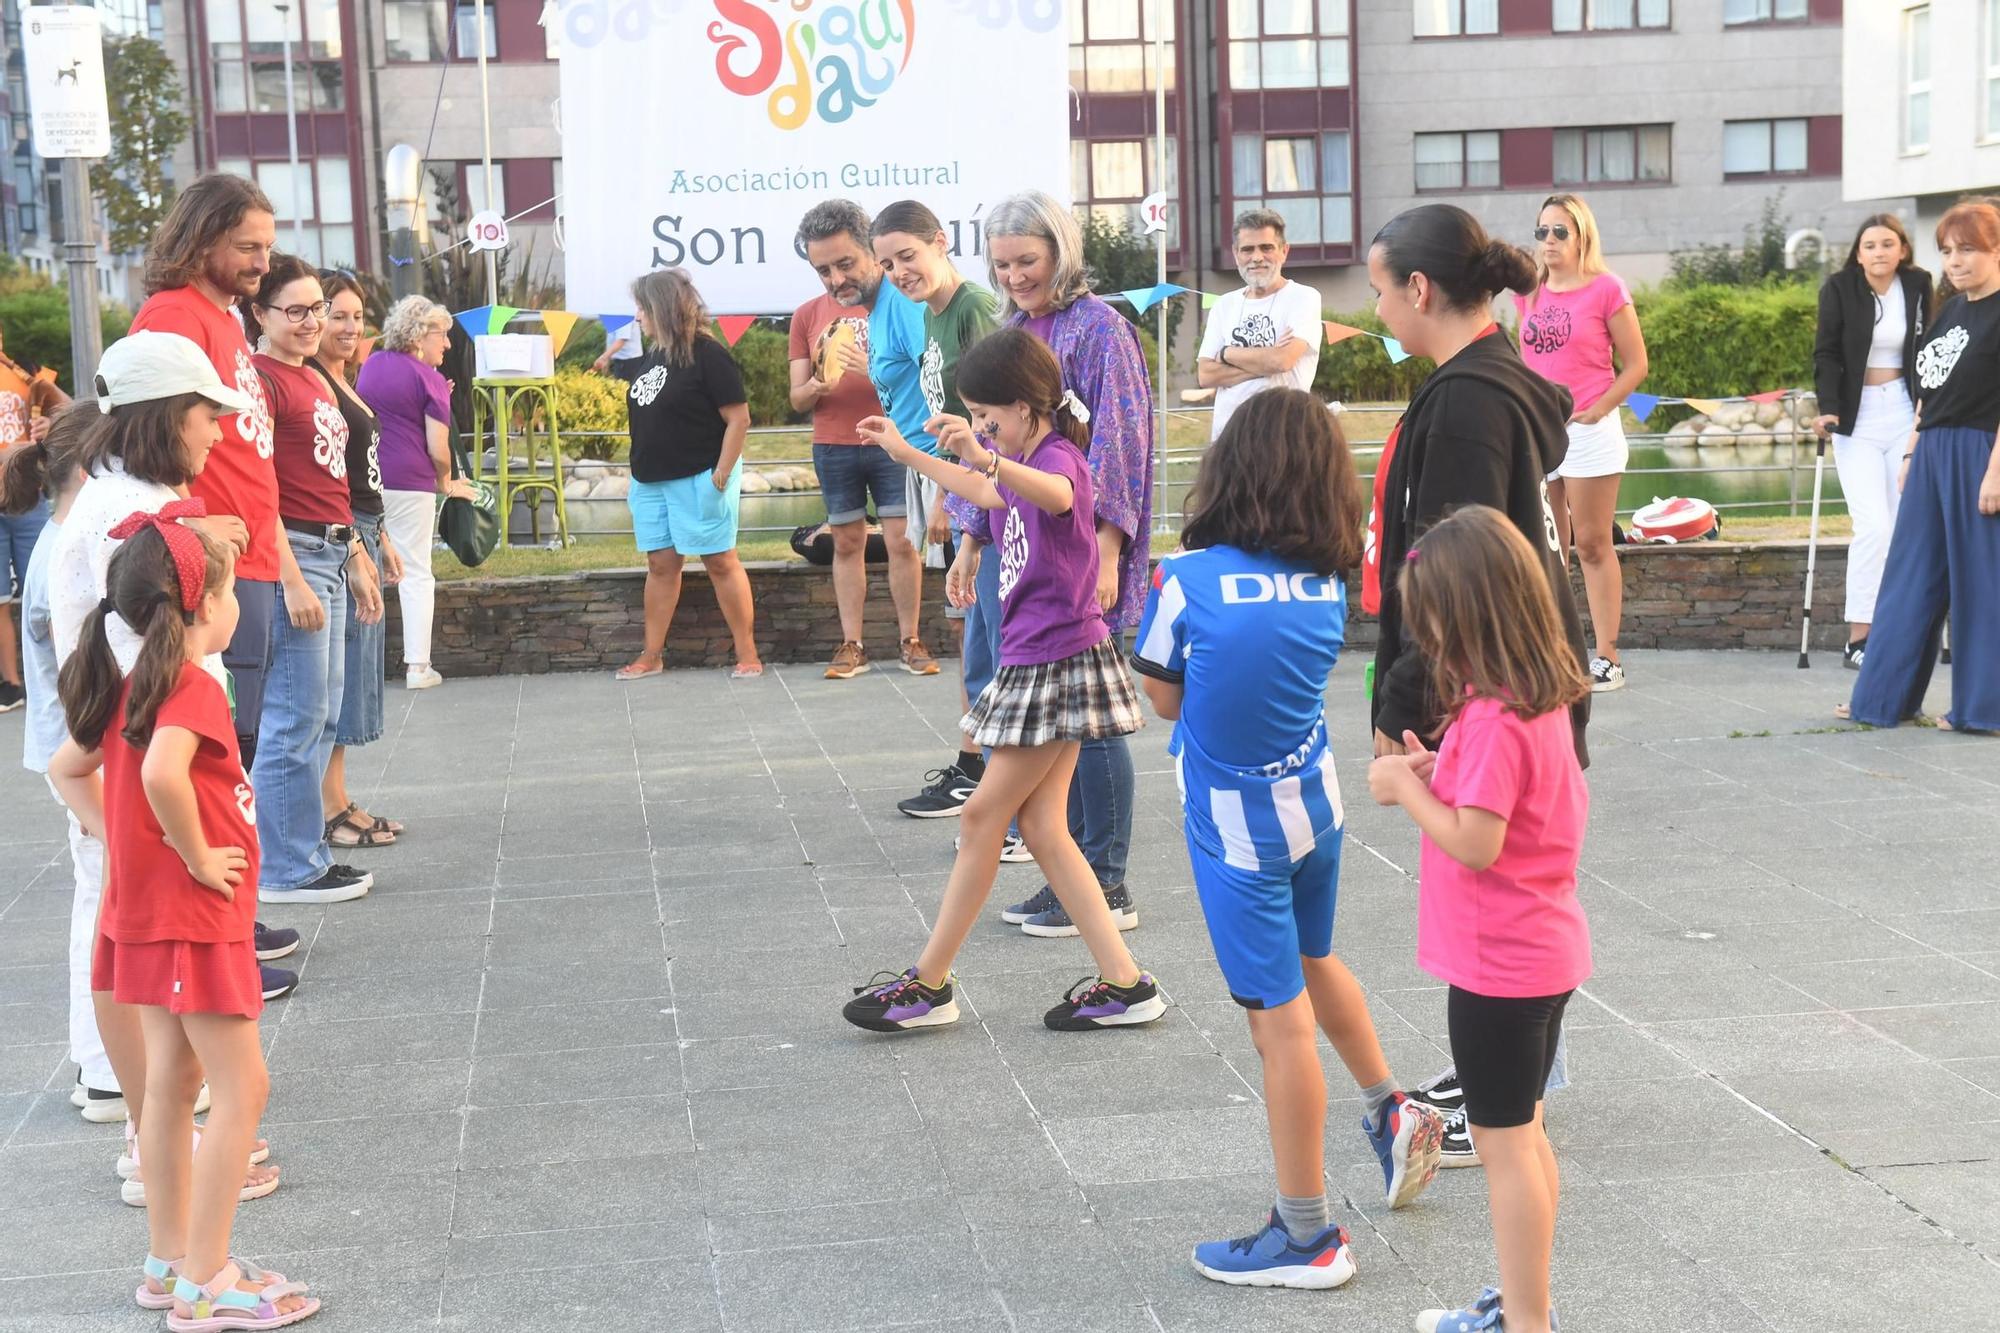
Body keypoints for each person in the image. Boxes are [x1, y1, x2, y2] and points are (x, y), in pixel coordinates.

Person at [1131, 389, 1444, 1290]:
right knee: (1317, 957)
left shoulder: (1184, 579)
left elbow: (1164, 696)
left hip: (1235, 831)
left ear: (1230, 468)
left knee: (1280, 1028)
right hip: (1316, 808)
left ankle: (1306, 1233)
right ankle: (1392, 1110)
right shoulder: (1326, 585)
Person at [844, 328, 1164, 1032]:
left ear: (1025, 407)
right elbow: (982, 488)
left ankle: (929, 983)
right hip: (1043, 661)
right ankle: (1126, 982)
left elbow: (1053, 493)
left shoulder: (1060, 460)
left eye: (989, 415)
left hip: (1053, 662)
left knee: (986, 816)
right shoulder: (1017, 458)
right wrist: (907, 453)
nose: (982, 427)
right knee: (1044, 827)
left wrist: (986, 453)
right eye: (976, 415)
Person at [1363, 203, 1592, 1166]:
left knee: (1497, 878)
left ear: (1420, 290)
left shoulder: (1466, 399)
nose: (1376, 308)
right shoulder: (1493, 381)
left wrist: (1401, 710)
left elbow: (1448, 566)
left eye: (1379, 290)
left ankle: (1506, 1092)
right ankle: (1511, 1076)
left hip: (1491, 676)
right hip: (1527, 663)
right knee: (1518, 881)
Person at [49, 519, 320, 1331]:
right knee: (244, 1087)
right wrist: (195, 856)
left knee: (171, 1087)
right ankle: (209, 1281)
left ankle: (171, 1261)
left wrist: (130, 841)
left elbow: (70, 769)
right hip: (196, 920)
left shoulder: (128, 680)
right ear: (202, 605)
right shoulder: (192, 684)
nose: (239, 602)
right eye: (232, 588)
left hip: (152, 916)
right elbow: (166, 772)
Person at [50, 335, 298, 1141]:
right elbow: (147, 740)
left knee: (134, 966)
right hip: (161, 813)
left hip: (141, 802)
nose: (217, 434)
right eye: (206, 415)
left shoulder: (128, 503)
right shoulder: (133, 525)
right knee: (146, 979)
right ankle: (156, 1139)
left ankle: (157, 1134)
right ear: (164, 416)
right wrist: (177, 840)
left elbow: (81, 752)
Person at [1368, 505, 1593, 1333]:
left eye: (1434, 626)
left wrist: (1408, 786)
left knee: (1504, 1149)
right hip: (1541, 951)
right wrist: (1441, 764)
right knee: (1525, 1137)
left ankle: (1523, 1322)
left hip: (1501, 966)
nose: (1429, 643)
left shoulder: (1497, 717)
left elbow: (1478, 839)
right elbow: (1510, 805)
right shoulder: (1535, 702)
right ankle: (1526, 1300)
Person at [984, 191, 1156, 937]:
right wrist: (967, 539)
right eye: (1002, 264)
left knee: (1094, 721)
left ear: (1060, 251)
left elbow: (1121, 442)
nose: (1017, 275)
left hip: (1085, 551)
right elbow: (990, 445)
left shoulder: (1101, 330)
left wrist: (1112, 548)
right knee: (1057, 720)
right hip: (1027, 558)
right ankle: (1073, 877)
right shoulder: (1015, 329)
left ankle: (1106, 879)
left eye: (1028, 259)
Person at [128, 174, 281, 765]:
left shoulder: (228, 319)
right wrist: (189, 525)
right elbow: (144, 438)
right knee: (225, 749)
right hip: (217, 564)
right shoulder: (172, 316)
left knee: (251, 741)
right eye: (248, 247)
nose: (263, 264)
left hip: (253, 554)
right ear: (200, 239)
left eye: (266, 247)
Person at [247, 256, 382, 906]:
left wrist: (354, 553)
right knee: (293, 717)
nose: (310, 321)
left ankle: (305, 854)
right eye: (293, 310)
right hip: (293, 555)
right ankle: (286, 867)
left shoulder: (313, 379)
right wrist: (292, 578)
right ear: (260, 314)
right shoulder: (261, 381)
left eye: (315, 309)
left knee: (319, 716)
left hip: (329, 549)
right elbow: (257, 491)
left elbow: (331, 483)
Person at [872, 201, 1008, 821]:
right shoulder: (930, 314)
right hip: (951, 485)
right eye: (888, 263)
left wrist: (957, 506)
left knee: (990, 637)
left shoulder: (974, 307)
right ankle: (976, 767)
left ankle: (998, 784)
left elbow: (998, 420)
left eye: (907, 255)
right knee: (969, 632)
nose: (899, 271)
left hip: (982, 493)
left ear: (941, 242)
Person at [1844, 199, 2000, 733]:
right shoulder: (1951, 310)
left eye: (1968, 250)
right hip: (1932, 451)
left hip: (1981, 452)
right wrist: (1911, 450)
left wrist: (1996, 472)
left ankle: (1983, 710)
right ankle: (1880, 700)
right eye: (1948, 251)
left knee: (1981, 584)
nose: (1955, 262)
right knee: (1910, 575)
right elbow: (1928, 390)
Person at [787, 199, 937, 679]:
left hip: (898, 442)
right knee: (846, 542)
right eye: (823, 270)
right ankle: (852, 645)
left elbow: (932, 382)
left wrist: (870, 374)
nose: (834, 279)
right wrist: (816, 386)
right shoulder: (809, 314)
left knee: (902, 541)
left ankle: (910, 640)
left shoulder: (902, 303)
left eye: (844, 263)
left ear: (873, 251)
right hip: (835, 440)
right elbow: (796, 397)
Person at [592, 268, 762, 681]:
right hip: (651, 480)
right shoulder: (655, 354)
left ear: (663, 308)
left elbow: (739, 419)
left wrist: (721, 473)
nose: (637, 317)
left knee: (720, 560)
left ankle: (748, 654)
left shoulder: (709, 354)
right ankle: (652, 655)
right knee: (660, 564)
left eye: (642, 308)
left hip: (699, 475)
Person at [1515, 193, 1648, 692]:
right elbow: (1528, 362)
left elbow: (1636, 364)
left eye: (1559, 232)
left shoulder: (1606, 289)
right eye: (1542, 232)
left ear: (1582, 235)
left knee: (1592, 543)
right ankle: (1553, 649)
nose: (1548, 241)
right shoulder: (1528, 293)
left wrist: (1602, 407)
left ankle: (1607, 655)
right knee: (1549, 545)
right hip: (1539, 429)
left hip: (1590, 430)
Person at [1812, 214, 1935, 669]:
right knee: (1874, 527)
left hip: (1906, 411)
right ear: (1858, 252)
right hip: (1856, 417)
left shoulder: (1919, 285)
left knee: (1905, 527)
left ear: (1902, 249)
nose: (1879, 252)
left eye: (1888, 244)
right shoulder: (1840, 288)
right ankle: (1859, 638)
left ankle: (1906, 631)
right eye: (1870, 245)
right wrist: (1828, 407)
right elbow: (1825, 351)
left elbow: (1931, 347)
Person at [313, 271, 405, 850]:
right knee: (334, 676)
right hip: (339, 538)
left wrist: (384, 536)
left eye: (356, 316)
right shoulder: (313, 383)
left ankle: (338, 798)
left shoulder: (346, 381)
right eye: (337, 315)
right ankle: (328, 809)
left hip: (366, 528)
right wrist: (354, 546)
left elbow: (362, 474)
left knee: (351, 673)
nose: (350, 327)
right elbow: (324, 482)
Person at [355, 296, 470, 691]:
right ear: (421, 335)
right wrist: (447, 482)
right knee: (415, 571)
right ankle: (418, 667)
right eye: (442, 335)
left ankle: (359, 665)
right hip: (411, 484)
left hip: (367, 481)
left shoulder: (370, 364)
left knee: (364, 566)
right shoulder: (430, 379)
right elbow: (439, 449)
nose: (448, 345)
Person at [1195, 209, 1326, 439]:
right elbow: (1206, 375)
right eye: (1247, 249)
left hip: (1284, 440)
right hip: (1229, 442)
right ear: (1236, 254)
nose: (1257, 257)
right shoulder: (1224, 305)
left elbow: (1282, 360)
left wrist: (1226, 353)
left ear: (1284, 251)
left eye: (1266, 248)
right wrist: (1266, 364)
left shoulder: (1304, 298)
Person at [0, 314, 70, 712]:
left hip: (27, 495)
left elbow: (56, 416)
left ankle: (65, 675)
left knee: (45, 587)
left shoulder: (24, 374)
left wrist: (46, 425)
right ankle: (11, 683)